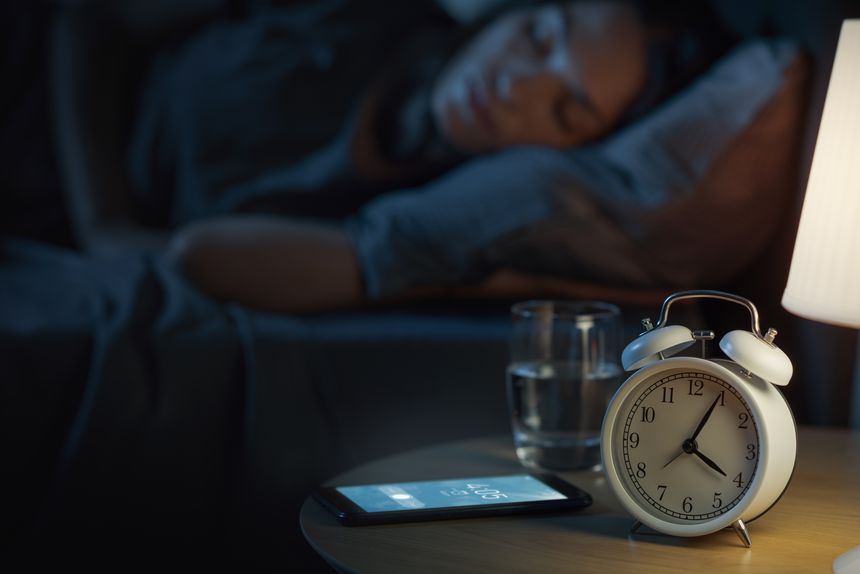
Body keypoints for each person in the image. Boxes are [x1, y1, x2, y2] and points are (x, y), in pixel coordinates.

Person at [159, 0, 659, 313]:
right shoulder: (362, 15)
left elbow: (200, 254)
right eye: (538, 36)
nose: (517, 85)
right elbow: (92, 23)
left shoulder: (427, 213)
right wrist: (100, 215)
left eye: (566, 110)